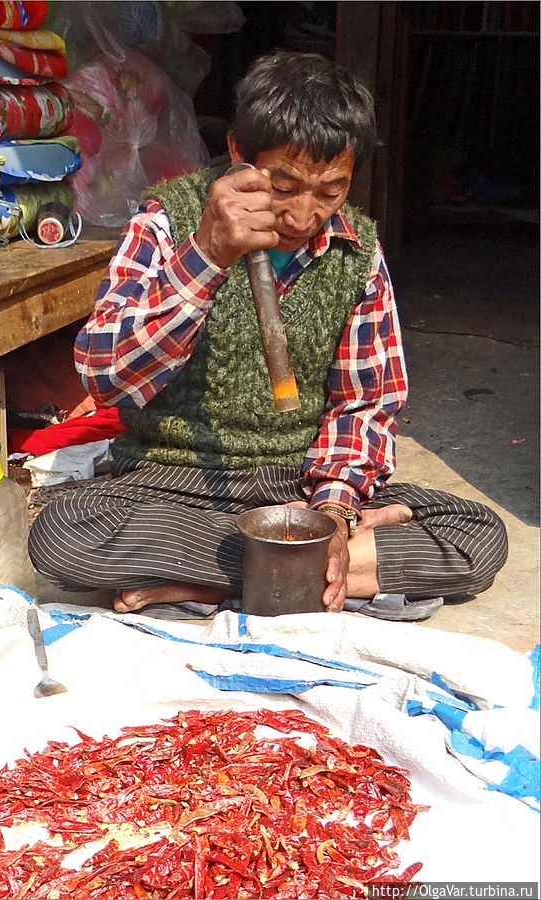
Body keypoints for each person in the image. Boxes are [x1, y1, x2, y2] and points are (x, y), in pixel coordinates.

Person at [28, 51, 508, 620]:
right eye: (284, 185)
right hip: (175, 481)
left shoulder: (357, 250)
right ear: (237, 152)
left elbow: (365, 405)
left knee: (477, 536)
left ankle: (218, 579)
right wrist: (206, 255)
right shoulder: (166, 222)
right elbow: (104, 378)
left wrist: (332, 514)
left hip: (301, 484)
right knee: (60, 533)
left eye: (330, 191)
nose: (304, 216)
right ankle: (305, 576)